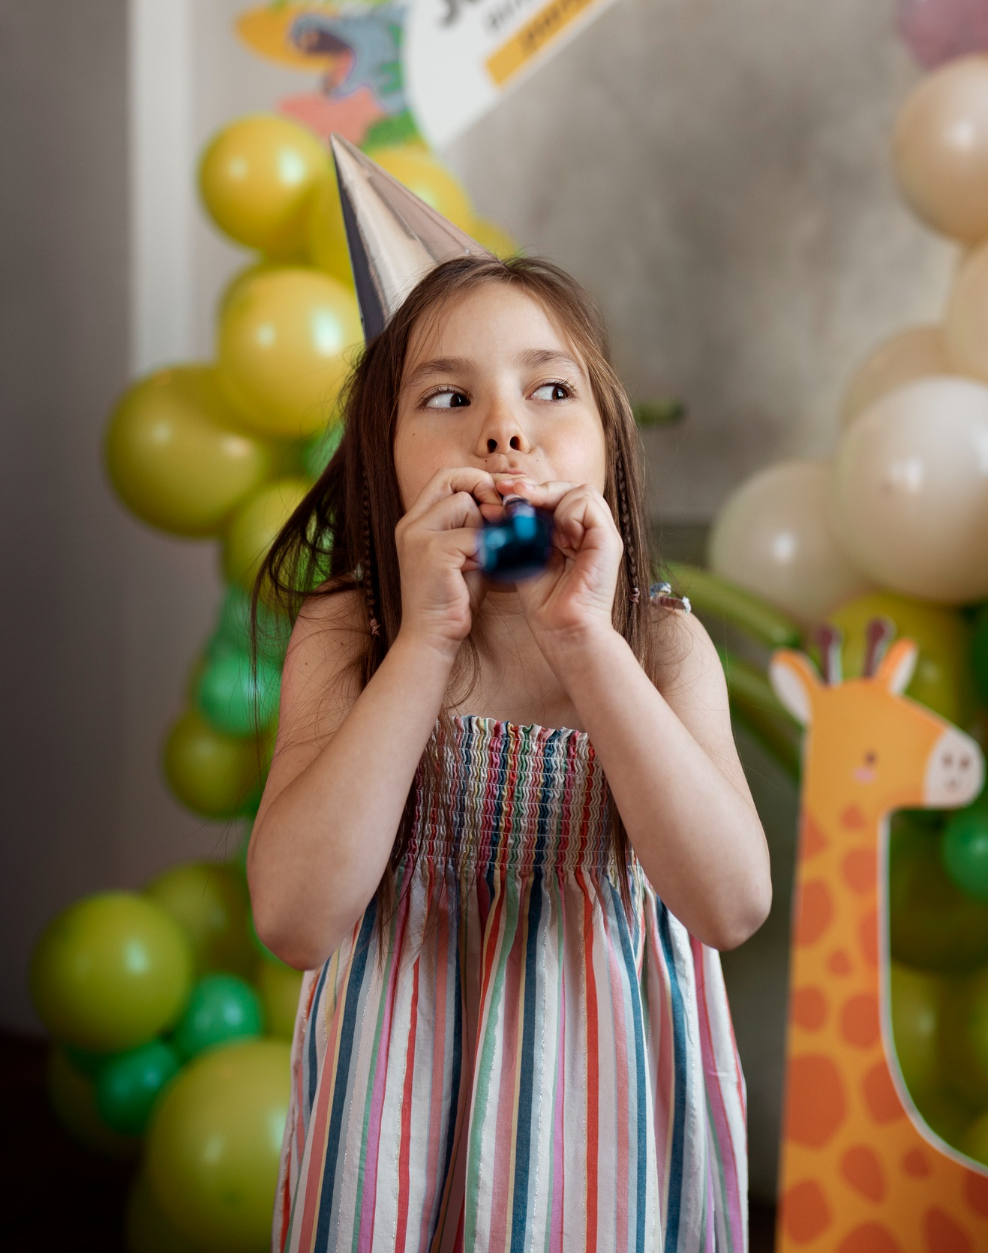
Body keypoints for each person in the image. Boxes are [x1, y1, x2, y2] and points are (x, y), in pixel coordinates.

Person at [248, 235, 770, 1249]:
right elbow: (296, 920)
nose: (502, 433)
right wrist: (425, 639)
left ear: (608, 444)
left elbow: (731, 901)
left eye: (548, 392)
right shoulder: (347, 636)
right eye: (448, 399)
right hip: (395, 1111)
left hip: (616, 1113)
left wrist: (580, 635)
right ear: (381, 460)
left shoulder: (657, 643)